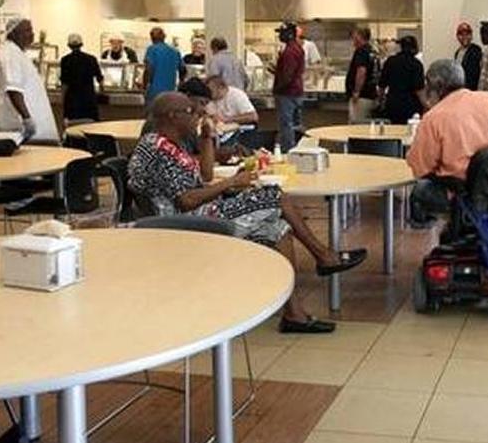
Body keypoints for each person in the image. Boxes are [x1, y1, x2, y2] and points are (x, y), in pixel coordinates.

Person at [128, 92, 367, 333]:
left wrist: (207, 139)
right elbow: (187, 201)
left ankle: (294, 314)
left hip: (200, 212)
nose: (198, 116)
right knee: (274, 195)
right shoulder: (157, 149)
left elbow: (206, 176)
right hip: (186, 224)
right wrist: (231, 183)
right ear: (172, 116)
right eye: (192, 112)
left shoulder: (168, 144)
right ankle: (324, 257)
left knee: (279, 229)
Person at [406, 59, 488, 225]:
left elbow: (420, 168)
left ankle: (425, 235)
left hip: (462, 192)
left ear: (436, 86)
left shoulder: (434, 117)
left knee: (419, 191)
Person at [0, 18, 58, 143]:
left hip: (33, 129)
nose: (32, 34)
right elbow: (13, 89)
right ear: (14, 33)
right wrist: (27, 119)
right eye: (27, 30)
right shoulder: (10, 53)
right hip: (22, 128)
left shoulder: (16, 52)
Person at [378, 36, 427, 124]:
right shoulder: (416, 64)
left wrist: (381, 102)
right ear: (414, 48)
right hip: (411, 105)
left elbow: (381, 86)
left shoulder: (390, 61)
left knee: (393, 131)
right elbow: (419, 90)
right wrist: (426, 105)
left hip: (393, 104)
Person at [272, 22, 305, 151]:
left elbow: (287, 76)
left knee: (286, 126)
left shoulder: (289, 52)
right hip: (295, 92)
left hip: (287, 93)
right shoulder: (297, 49)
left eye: (281, 33)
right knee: (295, 125)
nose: (280, 36)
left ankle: (289, 151)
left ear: (289, 34)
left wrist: (278, 87)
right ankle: (297, 148)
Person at [59, 33, 103, 123]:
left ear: (69, 46)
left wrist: (62, 100)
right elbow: (100, 80)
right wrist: (102, 91)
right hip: (89, 101)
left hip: (72, 103)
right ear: (81, 45)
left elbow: (64, 83)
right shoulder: (91, 59)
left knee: (73, 129)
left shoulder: (65, 60)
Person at [142, 27, 185, 104]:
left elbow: (148, 69)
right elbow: (182, 69)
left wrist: (145, 86)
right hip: (170, 90)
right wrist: (181, 82)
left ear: (151, 37)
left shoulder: (152, 49)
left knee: (153, 113)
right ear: (164, 36)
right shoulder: (174, 51)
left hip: (154, 91)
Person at [346, 26, 380, 123]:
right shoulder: (372, 51)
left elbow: (361, 71)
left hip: (361, 96)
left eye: (354, 35)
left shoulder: (361, 51)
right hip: (371, 93)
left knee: (356, 125)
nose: (352, 38)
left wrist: (357, 91)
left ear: (360, 36)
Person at [453, 21, 482, 91]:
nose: (464, 37)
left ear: (471, 36)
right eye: (461, 35)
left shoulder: (475, 50)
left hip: (471, 88)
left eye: (467, 34)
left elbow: (474, 73)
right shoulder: (458, 52)